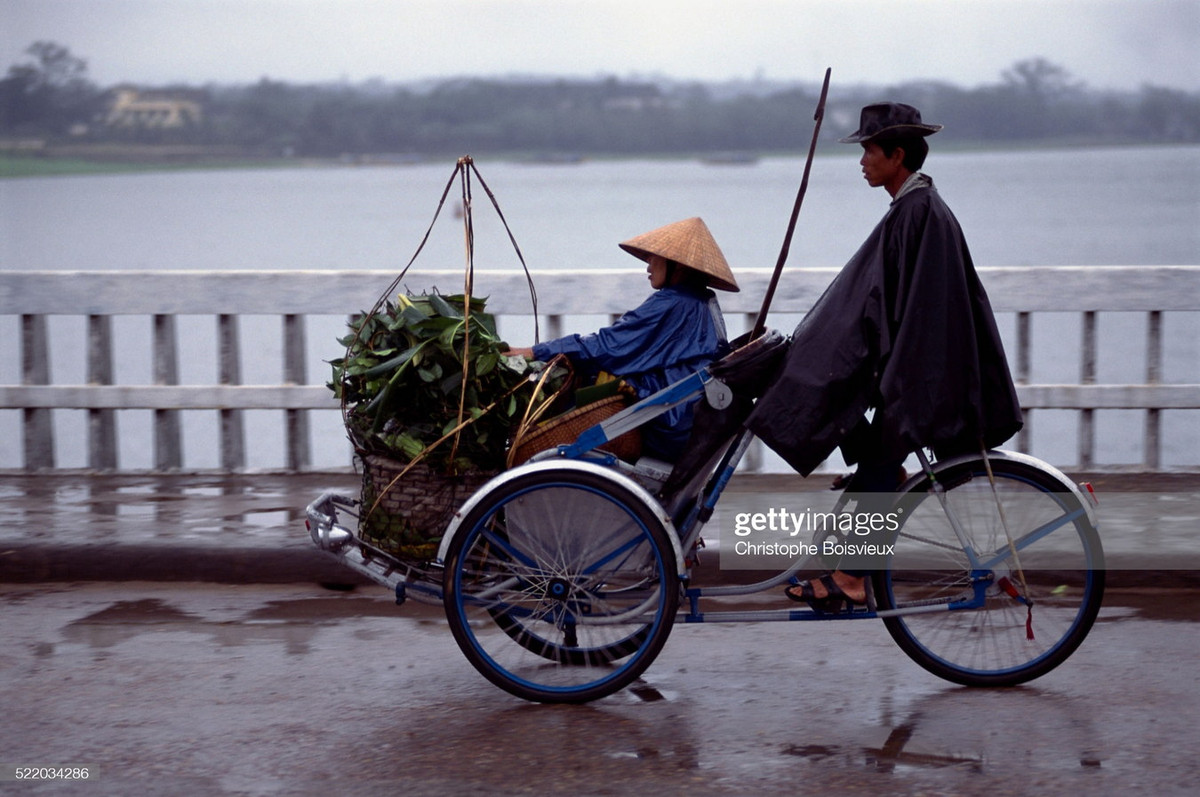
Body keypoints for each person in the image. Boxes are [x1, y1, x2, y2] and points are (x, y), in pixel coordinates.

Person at [745, 102, 1024, 610]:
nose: (862, 160)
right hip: (912, 367)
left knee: (863, 443)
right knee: (855, 435)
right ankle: (875, 500)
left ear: (897, 155)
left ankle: (850, 578)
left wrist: (880, 369)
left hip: (923, 374)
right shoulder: (912, 210)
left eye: (869, 151)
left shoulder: (919, 214)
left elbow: (916, 312)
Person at [510, 217, 737, 461]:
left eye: (654, 257)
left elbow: (609, 347)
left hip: (671, 422)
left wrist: (534, 352)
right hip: (687, 419)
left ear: (677, 265)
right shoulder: (700, 300)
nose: (648, 265)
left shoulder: (675, 303)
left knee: (580, 379)